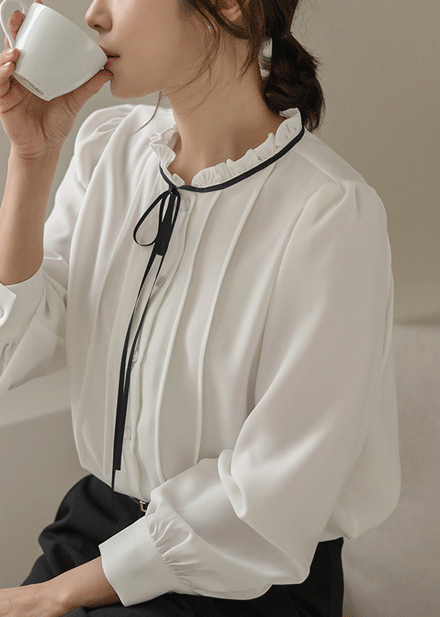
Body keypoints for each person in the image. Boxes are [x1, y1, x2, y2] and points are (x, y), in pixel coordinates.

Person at [0, 0, 401, 614]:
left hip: (244, 576)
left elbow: (271, 496)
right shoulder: (110, 150)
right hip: (95, 526)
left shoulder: (329, 214)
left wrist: (52, 595)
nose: (94, 15)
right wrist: (31, 159)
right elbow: (19, 340)